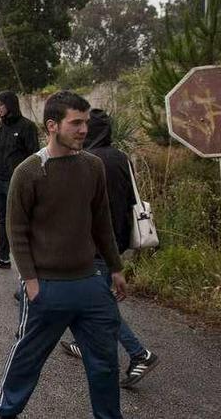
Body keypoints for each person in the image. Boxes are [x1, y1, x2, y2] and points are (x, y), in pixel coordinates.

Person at [0, 91, 127, 419]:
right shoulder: (29, 171)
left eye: (86, 123)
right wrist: (31, 282)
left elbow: (102, 222)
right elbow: (17, 232)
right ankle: (3, 413)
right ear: (52, 126)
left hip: (91, 285)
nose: (84, 130)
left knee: (105, 366)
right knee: (26, 363)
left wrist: (116, 267)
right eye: (75, 123)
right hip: (46, 287)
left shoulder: (93, 167)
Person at [58, 108, 159, 388]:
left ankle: (140, 353)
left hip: (94, 243)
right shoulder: (120, 157)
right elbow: (129, 197)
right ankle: (84, 342)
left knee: (99, 304)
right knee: (92, 297)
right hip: (117, 240)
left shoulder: (87, 160)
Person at [0, 90, 39, 269]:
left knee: (20, 222)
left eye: (1, 104)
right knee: (2, 220)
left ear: (11, 104)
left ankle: (31, 262)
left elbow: (34, 157)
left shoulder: (27, 127)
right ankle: (3, 257)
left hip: (16, 182)